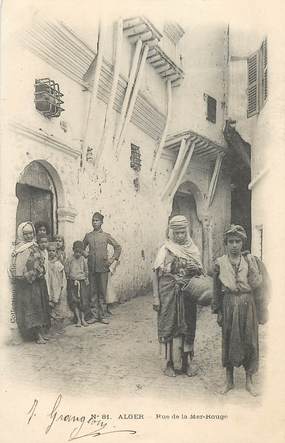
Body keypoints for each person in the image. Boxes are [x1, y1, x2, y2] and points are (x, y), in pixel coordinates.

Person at [212, 224, 267, 396]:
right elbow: (216, 290)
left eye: (237, 241)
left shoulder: (251, 261)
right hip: (229, 304)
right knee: (229, 339)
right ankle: (229, 381)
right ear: (226, 244)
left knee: (250, 340)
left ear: (242, 243)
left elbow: (260, 286)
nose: (234, 245)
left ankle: (249, 381)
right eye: (231, 241)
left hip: (247, 304)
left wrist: (260, 309)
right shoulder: (219, 263)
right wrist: (218, 311)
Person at [152, 215, 204, 377]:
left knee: (187, 326)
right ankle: (168, 363)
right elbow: (155, 273)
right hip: (168, 293)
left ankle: (187, 362)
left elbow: (201, 272)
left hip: (187, 294)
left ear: (187, 232)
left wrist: (194, 267)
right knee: (170, 325)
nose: (180, 236)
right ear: (171, 232)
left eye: (183, 232)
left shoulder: (193, 249)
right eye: (177, 233)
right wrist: (156, 297)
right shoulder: (165, 249)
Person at [11, 222, 50, 344]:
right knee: (28, 308)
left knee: (38, 307)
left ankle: (40, 334)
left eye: (31, 233)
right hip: (24, 285)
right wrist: (20, 275)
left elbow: (41, 263)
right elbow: (14, 266)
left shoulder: (35, 246)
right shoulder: (17, 249)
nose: (28, 236)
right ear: (21, 234)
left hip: (36, 283)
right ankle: (33, 335)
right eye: (25, 234)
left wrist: (35, 273)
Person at [83, 212, 121, 324]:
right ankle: (94, 315)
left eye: (97, 220)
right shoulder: (88, 236)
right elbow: (81, 247)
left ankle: (103, 315)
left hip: (103, 268)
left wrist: (112, 259)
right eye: (93, 220)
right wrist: (85, 254)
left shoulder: (106, 236)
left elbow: (118, 247)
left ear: (101, 222)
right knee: (93, 292)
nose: (94, 223)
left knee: (102, 292)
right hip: (92, 268)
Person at [65, 241, 90, 327]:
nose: (78, 254)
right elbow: (67, 271)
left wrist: (85, 278)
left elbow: (86, 270)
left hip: (82, 282)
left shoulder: (83, 259)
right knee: (74, 301)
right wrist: (70, 279)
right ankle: (78, 320)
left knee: (83, 301)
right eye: (76, 251)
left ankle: (83, 319)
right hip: (73, 283)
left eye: (80, 252)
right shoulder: (69, 259)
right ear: (73, 250)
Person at [47, 242, 65, 334]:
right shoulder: (46, 263)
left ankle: (59, 327)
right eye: (49, 251)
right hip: (49, 287)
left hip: (56, 287)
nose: (51, 253)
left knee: (58, 307)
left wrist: (61, 286)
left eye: (53, 251)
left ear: (56, 252)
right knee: (50, 307)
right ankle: (51, 327)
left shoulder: (58, 264)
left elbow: (62, 277)